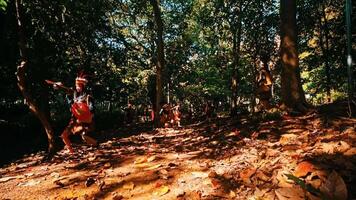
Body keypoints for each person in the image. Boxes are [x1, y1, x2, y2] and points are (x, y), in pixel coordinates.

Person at [52, 71, 97, 153]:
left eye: (79, 86)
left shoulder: (88, 95)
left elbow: (91, 107)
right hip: (74, 118)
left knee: (84, 136)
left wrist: (90, 115)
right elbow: (65, 89)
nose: (77, 87)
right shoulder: (74, 93)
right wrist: (58, 86)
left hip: (85, 120)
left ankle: (96, 145)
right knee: (64, 135)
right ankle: (71, 151)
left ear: (83, 86)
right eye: (76, 86)